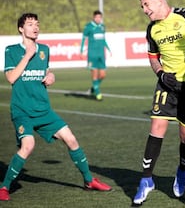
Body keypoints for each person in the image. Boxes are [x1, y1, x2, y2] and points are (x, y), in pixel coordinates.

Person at [0, 13, 112, 202]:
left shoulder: (44, 49)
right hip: (22, 111)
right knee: (28, 146)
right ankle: (4, 186)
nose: (35, 27)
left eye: (37, 23)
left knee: (71, 139)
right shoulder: (11, 50)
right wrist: (27, 55)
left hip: (44, 110)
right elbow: (11, 78)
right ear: (21, 29)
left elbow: (46, 71)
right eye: (30, 24)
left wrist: (51, 76)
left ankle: (89, 180)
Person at [133, 0, 185, 205]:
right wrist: (161, 73)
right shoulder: (152, 29)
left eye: (146, 5)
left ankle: (182, 169)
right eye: (142, 6)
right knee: (156, 128)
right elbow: (153, 58)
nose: (144, 10)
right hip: (166, 85)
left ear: (159, 2)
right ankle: (146, 180)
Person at [80, 10, 111, 101]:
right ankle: (97, 93)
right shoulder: (89, 27)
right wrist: (81, 51)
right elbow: (83, 39)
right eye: (96, 17)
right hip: (92, 54)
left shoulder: (102, 27)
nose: (98, 19)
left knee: (102, 75)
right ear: (93, 18)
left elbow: (103, 39)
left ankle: (94, 87)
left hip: (101, 54)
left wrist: (108, 49)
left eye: (100, 17)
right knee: (94, 74)